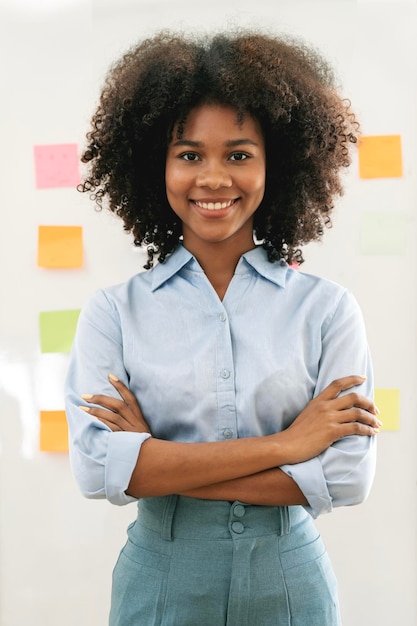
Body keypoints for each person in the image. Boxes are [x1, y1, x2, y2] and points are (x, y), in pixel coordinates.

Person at [65, 31, 380, 625]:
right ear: (155, 165)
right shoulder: (113, 312)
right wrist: (288, 447)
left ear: (275, 164)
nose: (213, 178)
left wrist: (155, 464)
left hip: (290, 582)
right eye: (189, 155)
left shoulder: (329, 310)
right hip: (161, 579)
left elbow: (345, 476)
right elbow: (95, 469)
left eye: (238, 154)